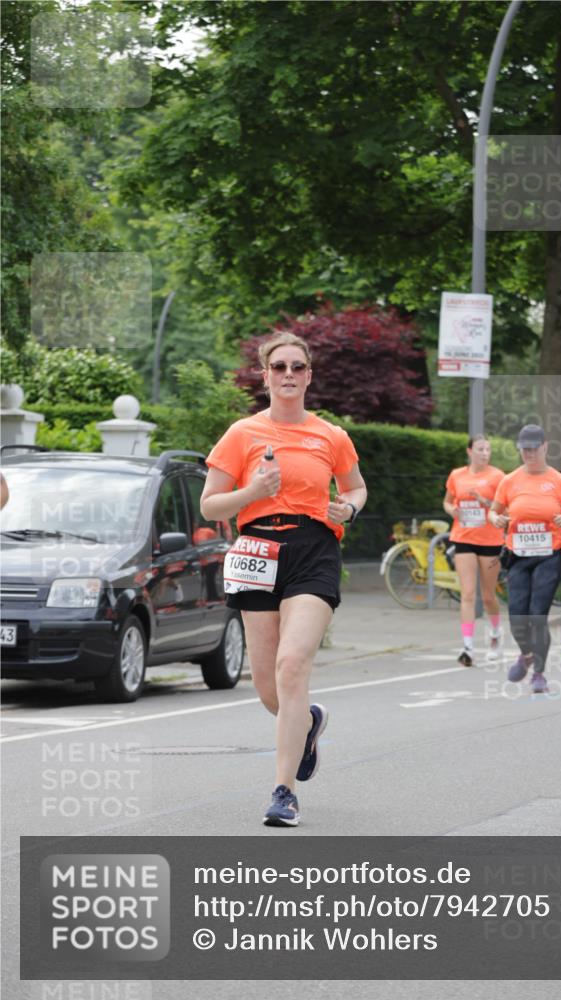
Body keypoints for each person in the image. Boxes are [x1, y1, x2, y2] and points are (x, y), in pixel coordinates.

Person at [201, 331, 367, 828]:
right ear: (266, 375)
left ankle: (283, 792)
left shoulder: (330, 435)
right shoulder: (241, 434)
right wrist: (253, 490)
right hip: (256, 549)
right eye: (280, 367)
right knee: (270, 688)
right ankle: (308, 722)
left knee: (292, 665)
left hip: (314, 549)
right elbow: (210, 504)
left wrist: (349, 509)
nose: (289, 374)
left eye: (298, 366)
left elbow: (357, 487)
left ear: (309, 375)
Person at [489, 424, 561, 693]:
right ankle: (526, 655)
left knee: (538, 615)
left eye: (533, 448)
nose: (529, 454)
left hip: (549, 556)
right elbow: (494, 512)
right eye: (524, 449)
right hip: (517, 556)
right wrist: (497, 519)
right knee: (517, 614)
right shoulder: (509, 480)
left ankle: (539, 673)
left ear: (545, 447)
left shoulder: (559, 481)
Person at [443, 435, 505, 666]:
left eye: (488, 449)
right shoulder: (457, 475)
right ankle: (468, 647)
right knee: (468, 594)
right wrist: (452, 511)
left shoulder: (498, 476)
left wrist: (485, 502)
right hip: (463, 537)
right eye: (480, 449)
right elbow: (447, 501)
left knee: (488, 596)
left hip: (490, 539)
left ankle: (496, 634)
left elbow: (505, 508)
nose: (484, 453)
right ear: (470, 452)